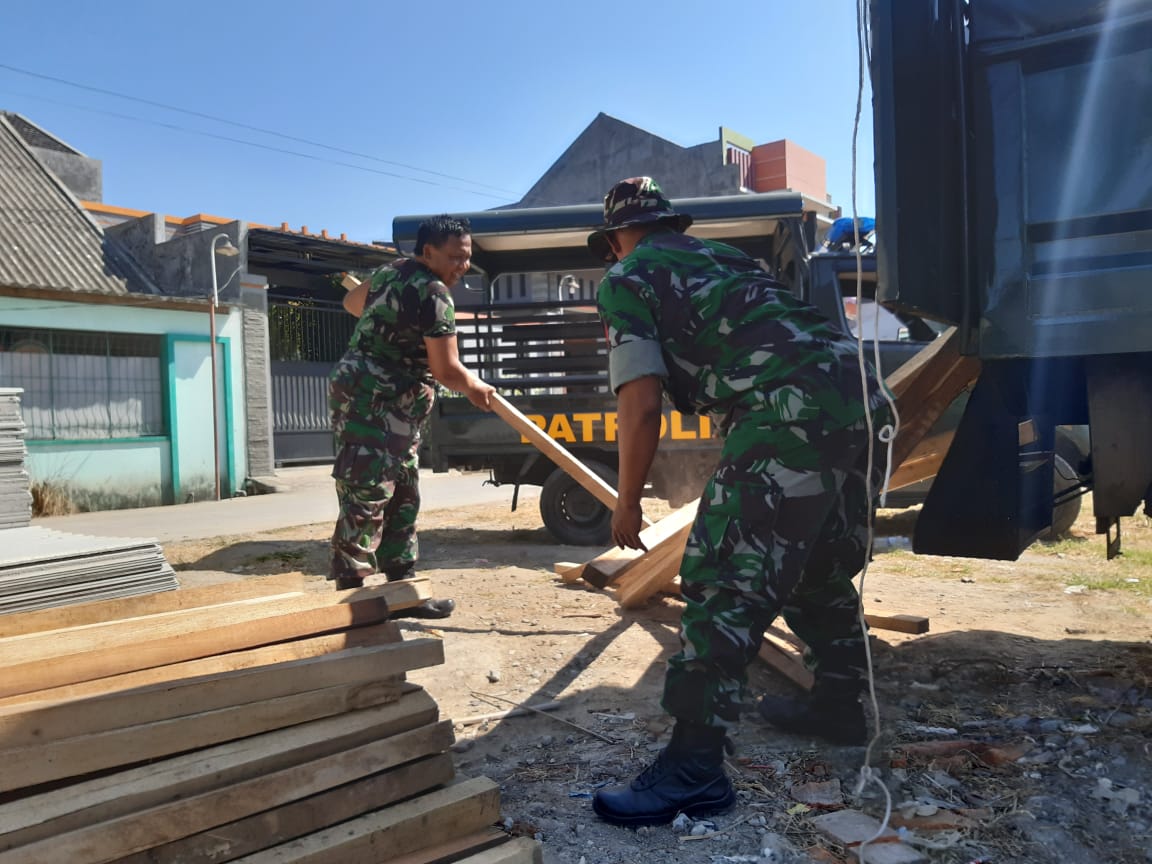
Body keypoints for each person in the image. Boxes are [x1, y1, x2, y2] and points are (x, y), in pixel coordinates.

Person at [586, 178, 891, 827]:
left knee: (722, 575)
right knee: (812, 564)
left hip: (789, 409)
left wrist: (626, 501)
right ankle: (839, 703)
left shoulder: (626, 278)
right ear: (674, 223)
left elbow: (640, 407)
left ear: (615, 239)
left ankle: (694, 768)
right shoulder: (723, 257)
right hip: (861, 394)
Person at [328, 215, 494, 619]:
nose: (463, 266)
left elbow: (353, 302)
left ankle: (402, 591)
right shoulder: (435, 293)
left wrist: (387, 328)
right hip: (372, 402)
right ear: (427, 252)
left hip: (393, 405)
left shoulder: (390, 272)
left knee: (403, 493)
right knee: (367, 493)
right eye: (455, 257)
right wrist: (476, 387)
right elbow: (447, 370)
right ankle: (354, 605)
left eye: (468, 258)